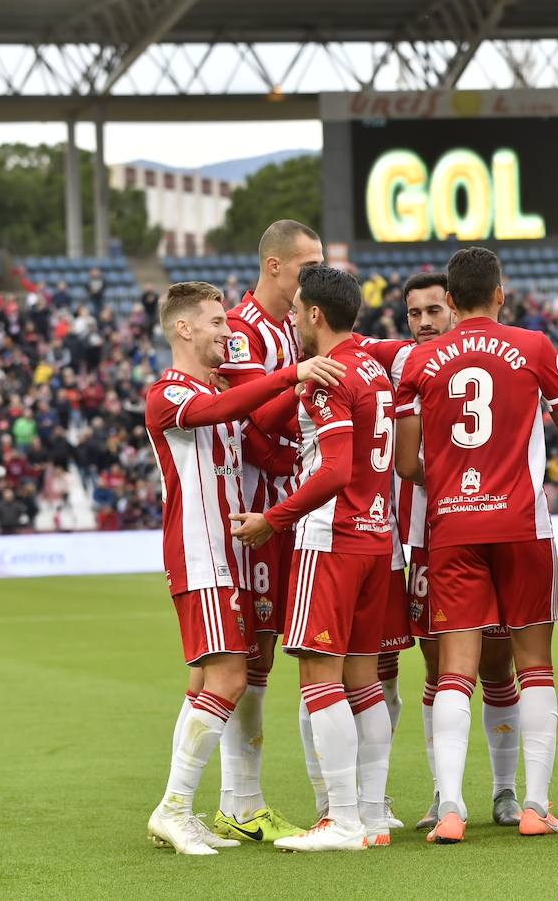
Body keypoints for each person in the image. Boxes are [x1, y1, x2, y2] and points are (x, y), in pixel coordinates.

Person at [394, 247, 558, 843]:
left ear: (449, 301)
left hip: (452, 528)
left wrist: (455, 481)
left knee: (454, 672)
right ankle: (533, 806)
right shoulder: (533, 348)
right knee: (534, 667)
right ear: (500, 294)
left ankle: (449, 809)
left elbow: (405, 464)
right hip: (523, 525)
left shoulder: (420, 362)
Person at [144, 280, 344, 855]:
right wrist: (293, 374)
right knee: (230, 678)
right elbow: (225, 409)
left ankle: (197, 808)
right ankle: (174, 808)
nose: (227, 331)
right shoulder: (169, 393)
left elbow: (257, 419)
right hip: (201, 554)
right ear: (184, 329)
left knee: (219, 678)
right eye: (214, 322)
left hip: (229, 557)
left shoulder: (214, 385)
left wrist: (302, 387)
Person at [231, 264, 397, 852]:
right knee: (364, 681)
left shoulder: (328, 376)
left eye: (298, 310)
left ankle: (343, 820)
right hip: (378, 536)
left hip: (332, 538)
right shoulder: (371, 368)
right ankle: (373, 817)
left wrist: (272, 520)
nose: (292, 319)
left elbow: (334, 469)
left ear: (316, 315)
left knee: (317, 679)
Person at [368, 272, 530, 832]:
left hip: (487, 526)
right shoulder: (402, 367)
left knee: (499, 665)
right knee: (438, 668)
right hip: (426, 538)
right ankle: (445, 792)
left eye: (434, 310)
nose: (425, 322)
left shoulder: (494, 359)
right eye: (414, 314)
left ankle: (505, 792)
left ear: (455, 307)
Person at [211, 219, 323, 844]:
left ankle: (248, 800)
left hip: (289, 509)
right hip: (254, 510)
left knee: (276, 654)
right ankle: (240, 800)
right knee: (252, 656)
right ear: (275, 266)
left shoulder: (292, 326)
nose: (316, 273)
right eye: (308, 264)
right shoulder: (241, 329)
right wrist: (300, 390)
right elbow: (253, 431)